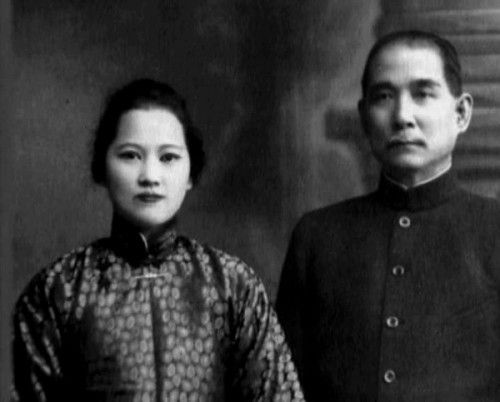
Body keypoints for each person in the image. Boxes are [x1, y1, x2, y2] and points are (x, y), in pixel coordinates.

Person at [12, 78, 304, 402]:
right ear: (102, 168)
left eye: (168, 157)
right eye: (130, 155)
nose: (150, 176)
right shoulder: (59, 291)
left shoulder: (233, 286)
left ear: (190, 173)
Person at [276, 30, 500, 401]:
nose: (402, 117)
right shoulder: (316, 237)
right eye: (383, 96)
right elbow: (283, 388)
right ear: (365, 118)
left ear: (461, 113)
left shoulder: (494, 230)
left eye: (423, 93)